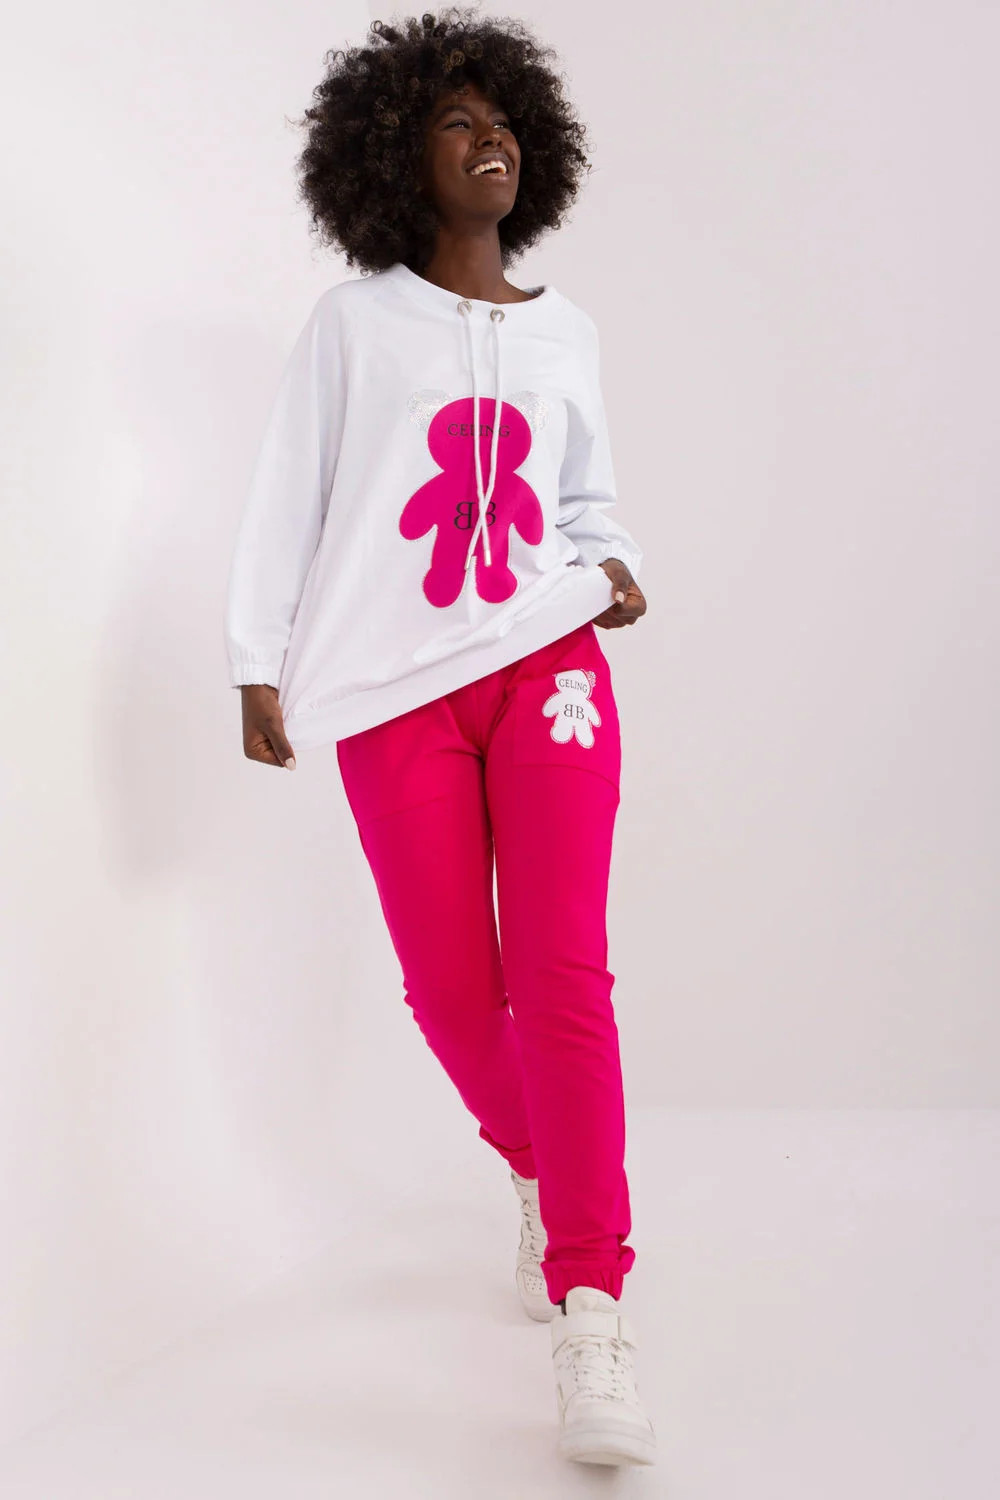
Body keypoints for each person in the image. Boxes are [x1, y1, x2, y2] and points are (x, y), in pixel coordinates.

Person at [224, 7, 656, 1469]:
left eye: (503, 120)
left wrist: (614, 564)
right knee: (450, 991)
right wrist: (257, 661)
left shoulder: (570, 329)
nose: (490, 140)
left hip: (551, 666)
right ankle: (538, 1158)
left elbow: (588, 498)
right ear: (392, 161)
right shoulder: (353, 327)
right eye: (455, 123)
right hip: (391, 686)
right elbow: (289, 492)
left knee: (562, 973)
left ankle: (593, 1300)